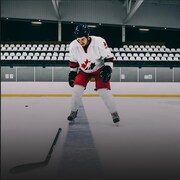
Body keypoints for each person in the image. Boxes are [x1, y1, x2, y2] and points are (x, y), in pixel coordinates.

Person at [67, 24, 120, 125]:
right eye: (78, 40)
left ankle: (114, 113)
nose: (80, 42)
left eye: (82, 39)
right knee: (77, 90)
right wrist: (72, 73)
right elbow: (73, 63)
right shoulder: (73, 46)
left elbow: (109, 58)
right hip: (84, 71)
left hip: (99, 69)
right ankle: (73, 112)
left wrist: (108, 69)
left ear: (87, 36)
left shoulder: (99, 42)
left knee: (103, 92)